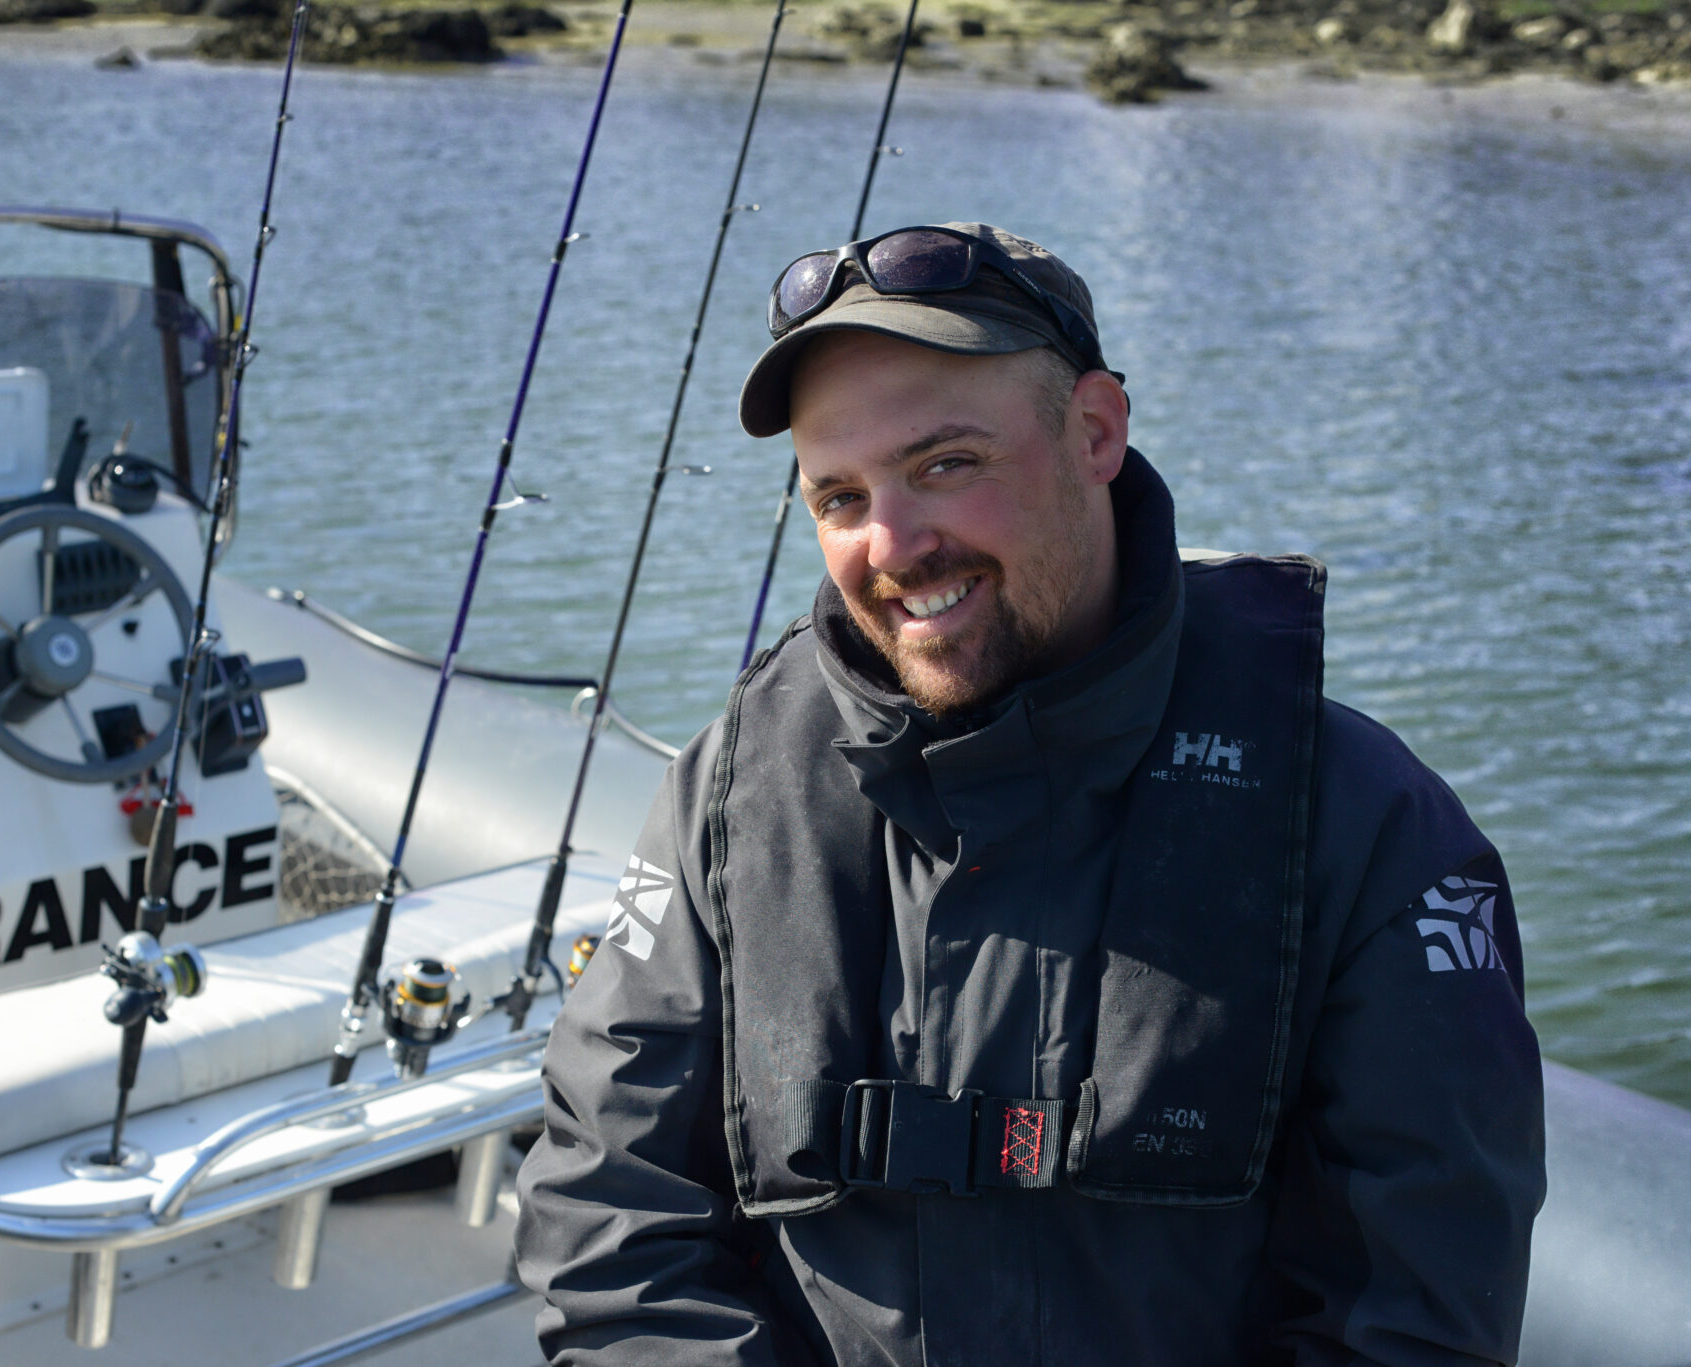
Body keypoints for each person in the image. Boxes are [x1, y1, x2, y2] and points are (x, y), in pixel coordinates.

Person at [513, 222, 1545, 1365]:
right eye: (839, 496)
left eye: (946, 463)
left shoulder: (1372, 829)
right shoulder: (728, 790)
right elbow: (613, 1216)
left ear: (1094, 430)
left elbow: (1413, 1313)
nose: (891, 544)